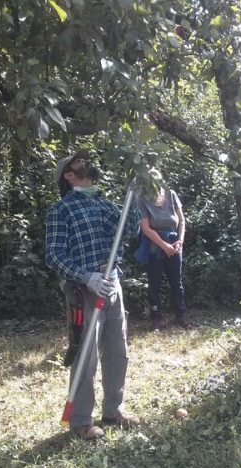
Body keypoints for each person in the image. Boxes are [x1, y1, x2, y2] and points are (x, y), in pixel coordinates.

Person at [45, 149, 140, 440]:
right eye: (79, 162)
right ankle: (81, 421)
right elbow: (53, 255)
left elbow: (131, 228)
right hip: (84, 290)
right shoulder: (61, 209)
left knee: (117, 350)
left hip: (112, 284)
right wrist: (87, 277)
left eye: (87, 160)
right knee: (86, 357)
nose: (87, 163)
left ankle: (114, 409)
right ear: (69, 175)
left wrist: (132, 197)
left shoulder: (103, 203)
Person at [136, 170, 189, 330]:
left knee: (177, 283)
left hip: (175, 244)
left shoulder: (171, 194)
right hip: (154, 247)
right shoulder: (141, 200)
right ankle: (156, 318)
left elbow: (181, 220)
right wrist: (164, 245)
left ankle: (181, 315)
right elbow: (146, 228)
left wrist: (179, 241)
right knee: (154, 284)